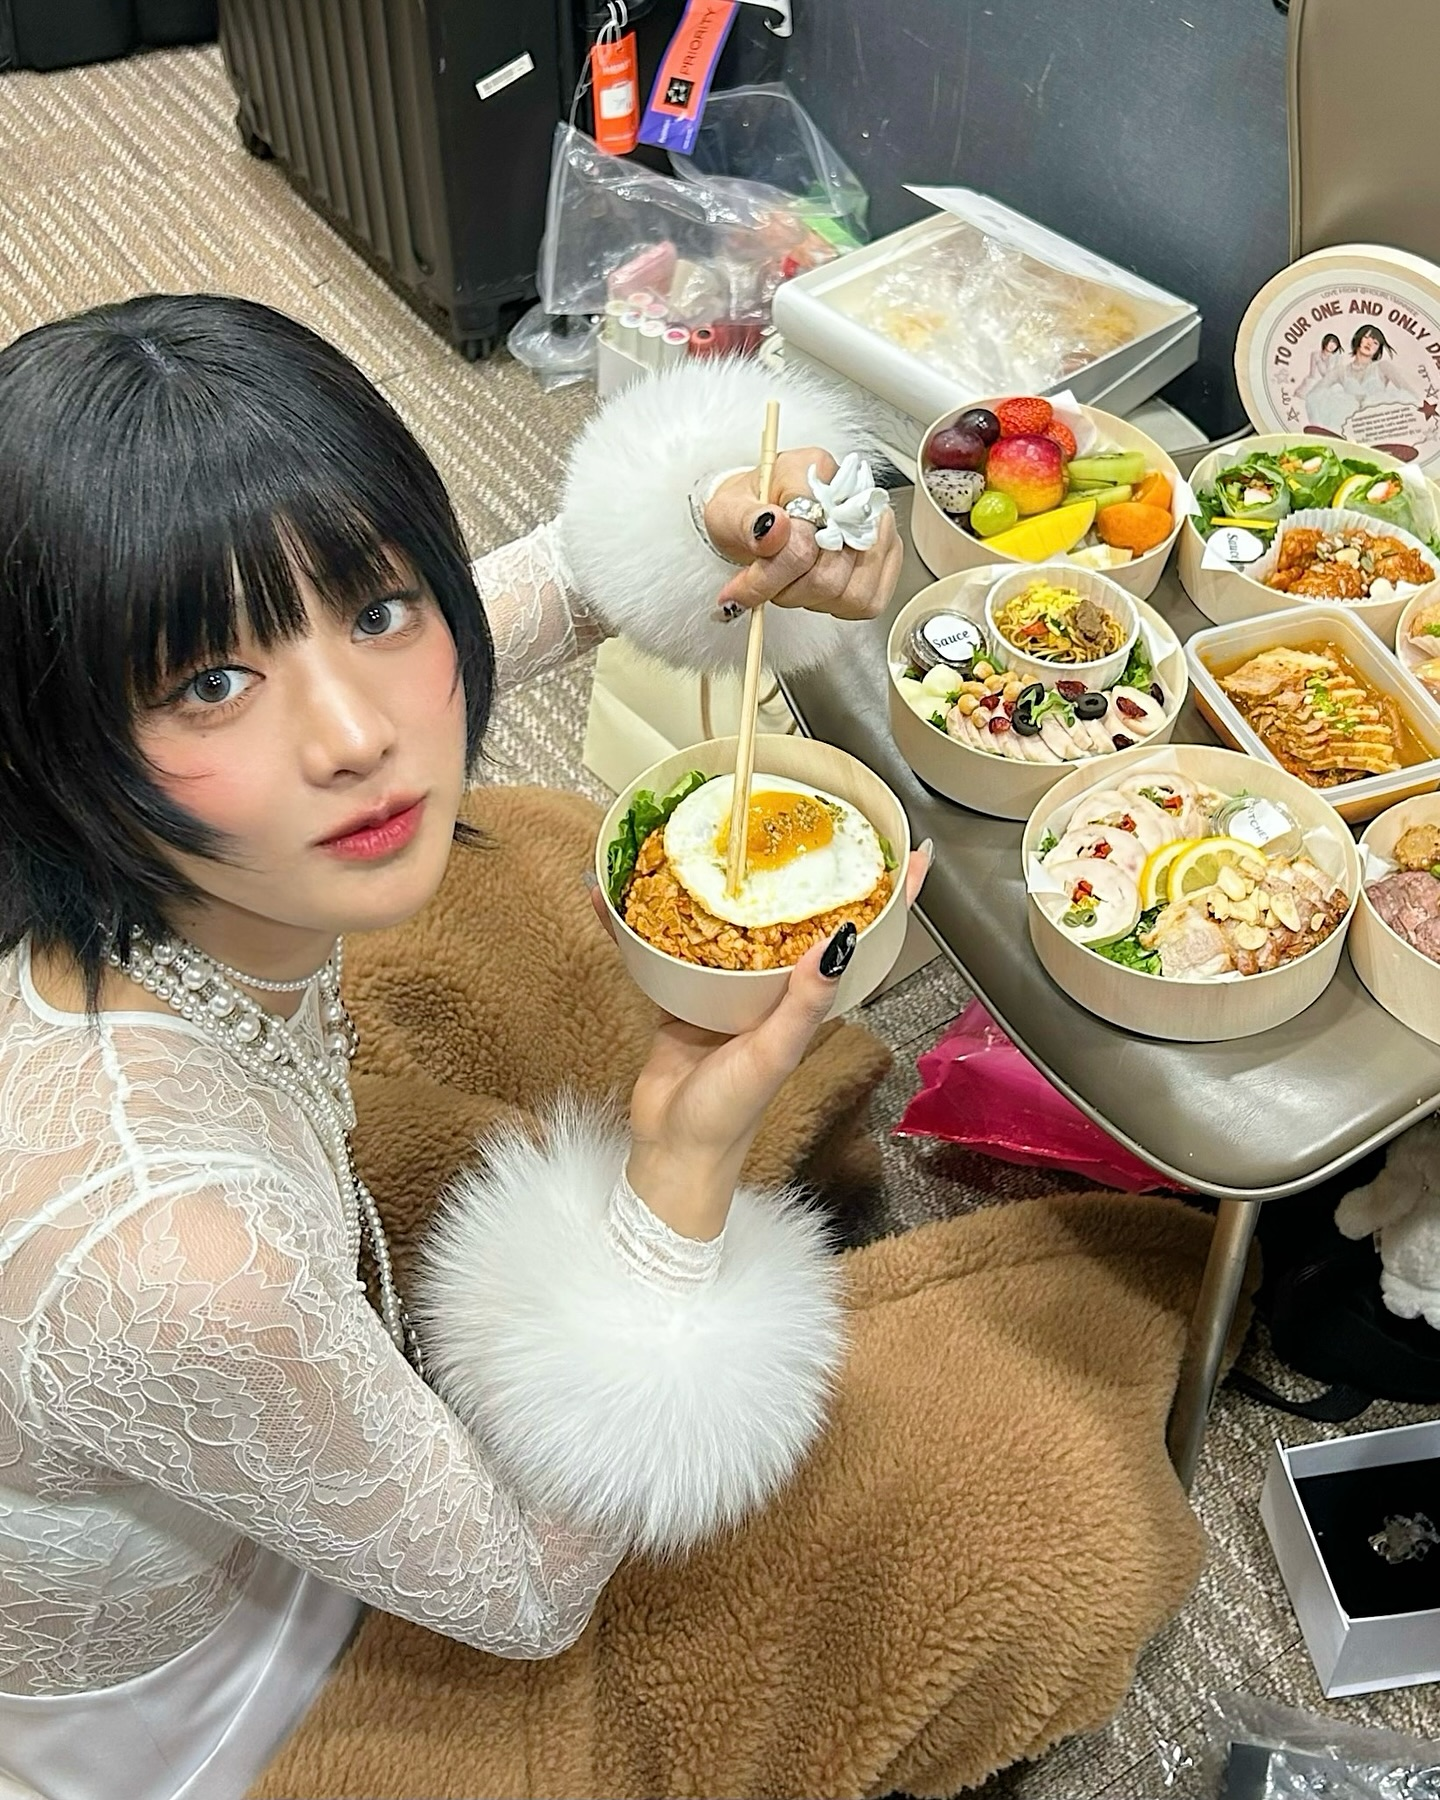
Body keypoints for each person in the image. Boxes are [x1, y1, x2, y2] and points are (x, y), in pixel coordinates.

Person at [0, 293, 922, 1800]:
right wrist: (679, 1184)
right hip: (201, 1698)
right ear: (50, 740)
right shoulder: (183, 1261)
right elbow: (529, 1596)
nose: (357, 736)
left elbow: (523, 595)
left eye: (376, 610)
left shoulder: (102, 872)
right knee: (972, 1487)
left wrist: (732, 513)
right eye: (208, 683)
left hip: (231, 1404)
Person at [1304, 322, 1423, 436]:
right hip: (1351, 427)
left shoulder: (1382, 367)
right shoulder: (1341, 371)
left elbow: (1409, 391)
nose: (1369, 343)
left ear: (1378, 349)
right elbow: (1315, 393)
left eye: (1375, 342)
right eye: (1366, 337)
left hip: (1376, 425)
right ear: (1358, 339)